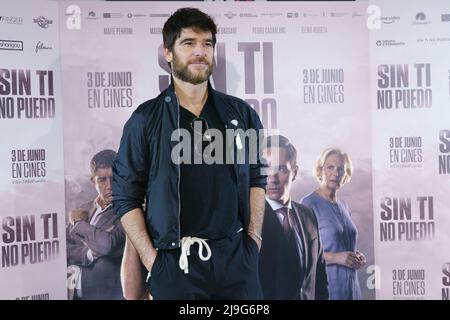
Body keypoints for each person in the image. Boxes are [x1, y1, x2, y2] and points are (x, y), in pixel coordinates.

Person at [112, 7, 267, 300]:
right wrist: (154, 263)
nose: (200, 52)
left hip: (236, 261)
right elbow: (124, 197)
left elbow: (257, 179)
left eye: (207, 44)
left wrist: (253, 241)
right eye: (189, 43)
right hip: (175, 265)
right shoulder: (145, 120)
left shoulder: (242, 114)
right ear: (168, 52)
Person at [259, 135, 328, 300]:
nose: (272, 178)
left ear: (295, 172)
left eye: (281, 169)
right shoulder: (249, 218)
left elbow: (319, 279)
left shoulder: (308, 215)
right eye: (265, 168)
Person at [300, 147, 366, 300]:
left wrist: (356, 256)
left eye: (341, 169)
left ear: (345, 174)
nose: (335, 173)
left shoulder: (344, 205)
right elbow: (301, 253)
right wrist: (336, 257)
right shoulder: (308, 203)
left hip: (352, 290)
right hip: (328, 291)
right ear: (320, 170)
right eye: (330, 167)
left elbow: (344, 247)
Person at [66, 149, 126, 300]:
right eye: (102, 180)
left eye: (114, 178)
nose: (110, 186)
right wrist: (88, 253)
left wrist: (79, 223)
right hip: (74, 294)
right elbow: (63, 249)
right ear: (93, 180)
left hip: (108, 294)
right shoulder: (84, 208)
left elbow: (107, 245)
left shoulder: (129, 210)